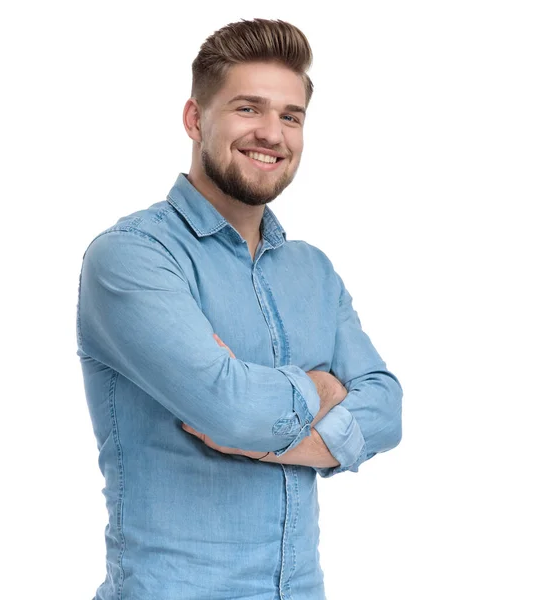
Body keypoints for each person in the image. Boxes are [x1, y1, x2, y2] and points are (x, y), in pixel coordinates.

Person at [76, 18, 402, 600]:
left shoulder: (313, 271)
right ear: (195, 119)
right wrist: (325, 390)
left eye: (290, 116)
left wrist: (266, 425)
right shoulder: (131, 258)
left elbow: (387, 407)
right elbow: (230, 409)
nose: (272, 134)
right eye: (249, 109)